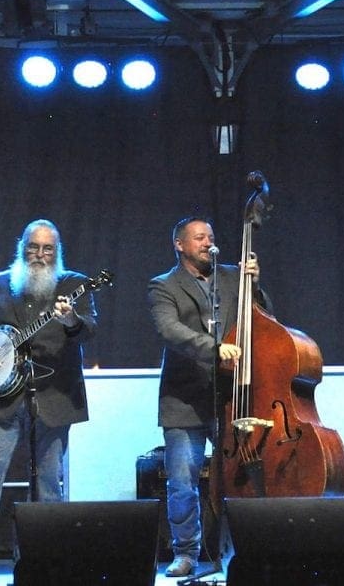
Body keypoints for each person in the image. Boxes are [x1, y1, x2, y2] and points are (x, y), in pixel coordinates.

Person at [0, 219, 99, 579]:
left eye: (48, 249)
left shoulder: (74, 284)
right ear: (22, 247)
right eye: (33, 247)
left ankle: (45, 558)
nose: (40, 255)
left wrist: (71, 319)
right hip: (2, 399)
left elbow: (89, 329)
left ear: (57, 252)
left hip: (54, 398)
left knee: (49, 480)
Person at [147, 216, 269, 578]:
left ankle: (251, 547)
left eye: (210, 236)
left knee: (244, 474)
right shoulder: (163, 285)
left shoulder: (234, 277)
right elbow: (170, 331)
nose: (207, 242)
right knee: (182, 481)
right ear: (180, 245)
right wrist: (213, 348)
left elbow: (264, 318)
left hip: (233, 396)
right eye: (199, 237)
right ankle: (186, 552)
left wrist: (255, 286)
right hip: (184, 398)